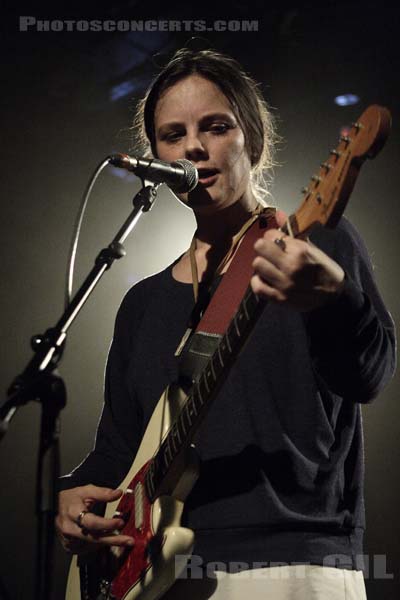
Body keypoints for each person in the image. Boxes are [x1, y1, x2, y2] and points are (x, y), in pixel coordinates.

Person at [56, 48, 396, 599]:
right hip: (156, 578)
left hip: (289, 563)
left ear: (252, 140)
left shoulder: (313, 244)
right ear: (159, 158)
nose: (193, 146)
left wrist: (333, 298)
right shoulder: (142, 304)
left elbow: (371, 376)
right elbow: (119, 448)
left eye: (216, 126)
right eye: (173, 135)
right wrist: (74, 495)